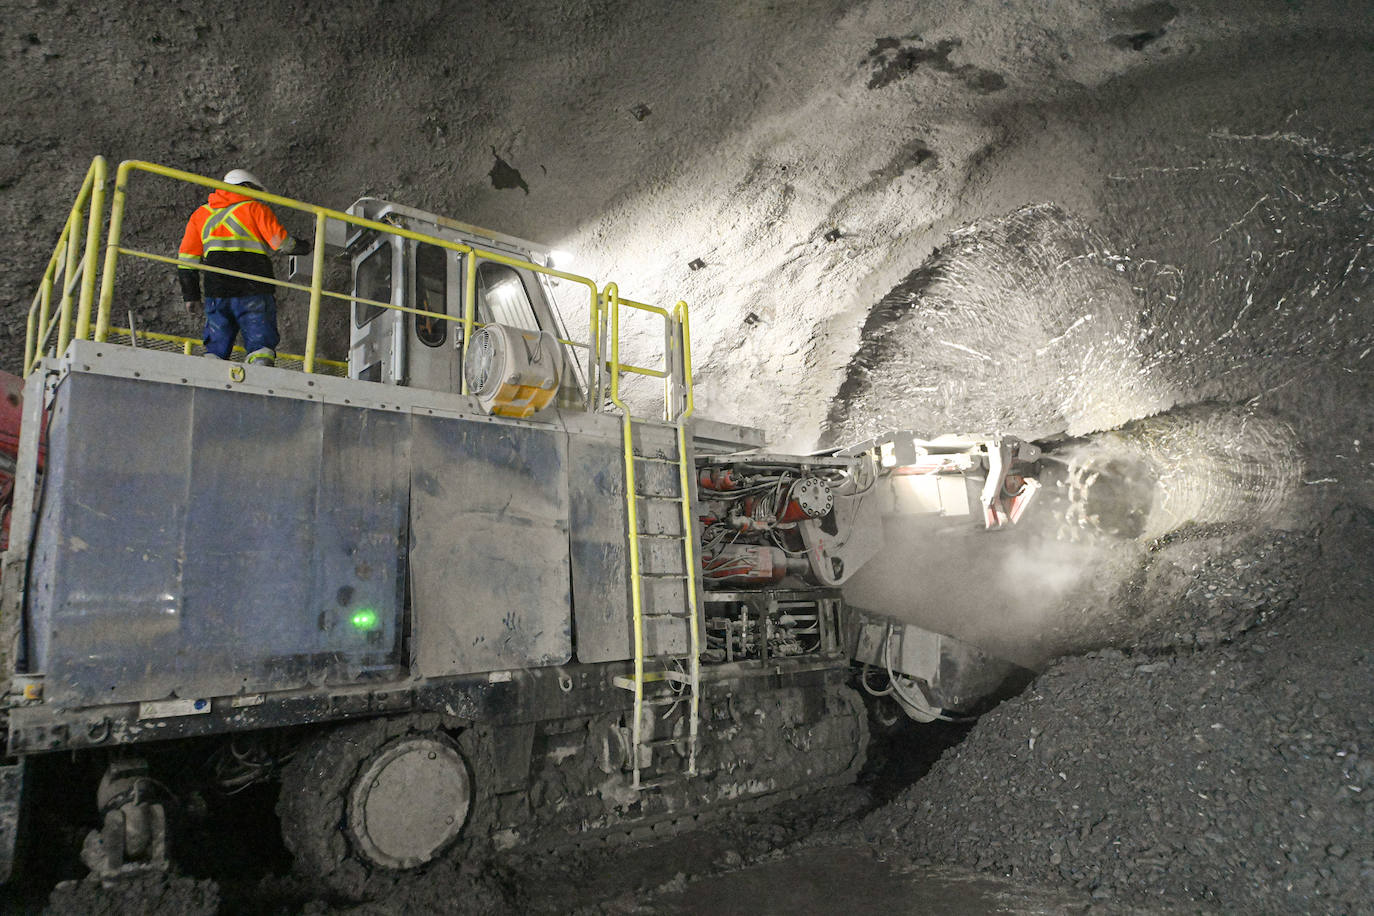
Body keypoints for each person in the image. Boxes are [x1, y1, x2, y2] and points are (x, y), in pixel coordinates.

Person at [178, 169, 309, 367]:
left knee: (216, 341)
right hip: (253, 286)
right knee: (259, 340)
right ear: (247, 187)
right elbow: (281, 243)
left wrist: (191, 295)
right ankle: (260, 368)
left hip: (217, 290)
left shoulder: (200, 215)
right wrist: (306, 247)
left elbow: (187, 259)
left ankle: (211, 367)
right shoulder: (254, 208)